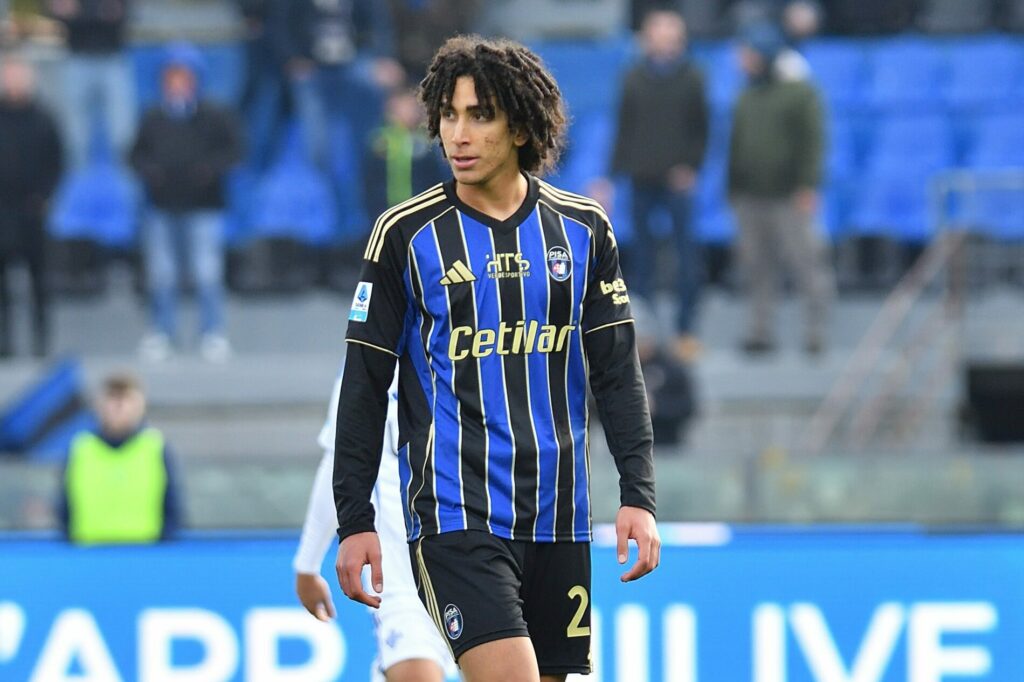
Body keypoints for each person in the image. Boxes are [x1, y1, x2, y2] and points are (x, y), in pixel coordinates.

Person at [333, 35, 660, 681]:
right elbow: (364, 384)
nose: (458, 134)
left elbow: (618, 374)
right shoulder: (405, 235)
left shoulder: (583, 230)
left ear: (521, 126)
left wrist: (639, 496)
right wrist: (355, 521)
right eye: (448, 115)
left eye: (480, 115)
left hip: (559, 514)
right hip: (455, 513)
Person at [294, 368, 454, 682]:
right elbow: (339, 465)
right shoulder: (367, 360)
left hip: (481, 564)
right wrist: (307, 564)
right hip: (403, 575)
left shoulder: (483, 352)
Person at [129, 43, 243, 363]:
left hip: (204, 207)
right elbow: (135, 154)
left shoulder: (214, 115)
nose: (177, 83)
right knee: (161, 274)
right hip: (162, 207)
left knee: (207, 272)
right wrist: (151, 172)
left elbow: (234, 152)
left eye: (184, 77)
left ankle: (212, 332)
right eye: (172, 77)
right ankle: (162, 331)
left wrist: (208, 171)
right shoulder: (153, 117)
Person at [607, 9, 709, 363]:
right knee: (642, 260)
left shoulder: (693, 77)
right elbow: (623, 129)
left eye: (670, 37)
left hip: (677, 181)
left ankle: (686, 331)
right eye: (658, 36)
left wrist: (691, 167)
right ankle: (643, 332)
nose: (664, 44)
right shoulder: (633, 77)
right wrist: (611, 176)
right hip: (641, 178)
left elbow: (702, 129)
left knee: (686, 258)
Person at [728, 21, 833, 356]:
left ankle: (816, 331)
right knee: (756, 267)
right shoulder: (746, 95)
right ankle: (760, 331)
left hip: (789, 195)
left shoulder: (799, 93)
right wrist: (733, 188)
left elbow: (812, 142)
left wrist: (808, 185)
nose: (742, 59)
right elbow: (736, 144)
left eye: (748, 53)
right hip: (751, 196)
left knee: (806, 263)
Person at [267, 0, 403, 169]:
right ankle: (333, 179)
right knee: (318, 150)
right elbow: (279, 23)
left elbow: (379, 21)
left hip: (355, 61)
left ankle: (372, 156)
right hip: (311, 66)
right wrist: (291, 58)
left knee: (377, 83)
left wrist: (385, 58)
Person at [57, 372, 181, 545]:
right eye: (112, 398)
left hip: (144, 552)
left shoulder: (155, 446)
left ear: (140, 405)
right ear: (98, 405)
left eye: (126, 399)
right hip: (88, 552)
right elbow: (64, 507)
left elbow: (172, 507)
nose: (119, 407)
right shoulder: (81, 447)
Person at [0, 54, 63, 359]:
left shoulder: (44, 118)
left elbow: (57, 160)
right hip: (2, 210)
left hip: (32, 209)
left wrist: (45, 195)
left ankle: (41, 341)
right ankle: (5, 342)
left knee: (39, 279)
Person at [46, 0, 135, 168]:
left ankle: (125, 182)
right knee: (73, 136)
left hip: (112, 58)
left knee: (122, 134)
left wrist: (81, 13)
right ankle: (76, 182)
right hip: (76, 58)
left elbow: (123, 13)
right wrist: (98, 13)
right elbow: (57, 10)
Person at [362, 85, 447, 222]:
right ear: (391, 108)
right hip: (385, 210)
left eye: (413, 107)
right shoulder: (380, 141)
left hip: (421, 211)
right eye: (404, 107)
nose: (410, 112)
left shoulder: (425, 141)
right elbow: (369, 181)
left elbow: (435, 177)